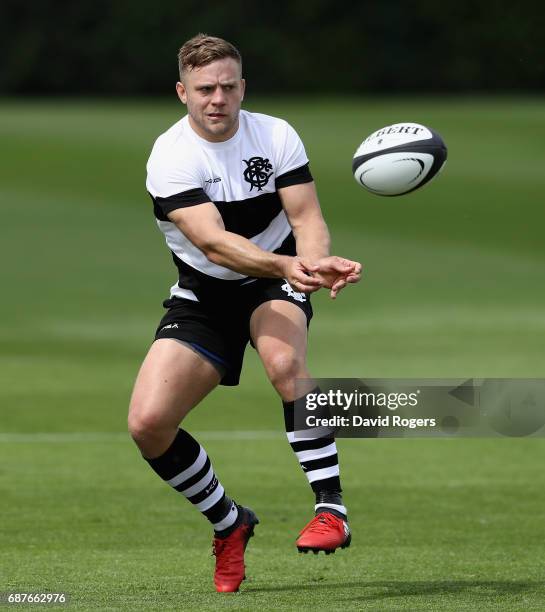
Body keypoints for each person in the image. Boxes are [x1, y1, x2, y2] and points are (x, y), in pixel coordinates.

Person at [128, 33, 362, 593]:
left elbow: (306, 217)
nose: (218, 99)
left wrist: (313, 263)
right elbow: (213, 244)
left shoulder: (275, 134)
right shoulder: (170, 156)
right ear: (183, 92)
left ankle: (331, 509)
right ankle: (230, 523)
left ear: (242, 88)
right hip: (204, 294)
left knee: (283, 363)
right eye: (205, 88)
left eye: (228, 87)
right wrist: (286, 265)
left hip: (273, 285)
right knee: (148, 425)